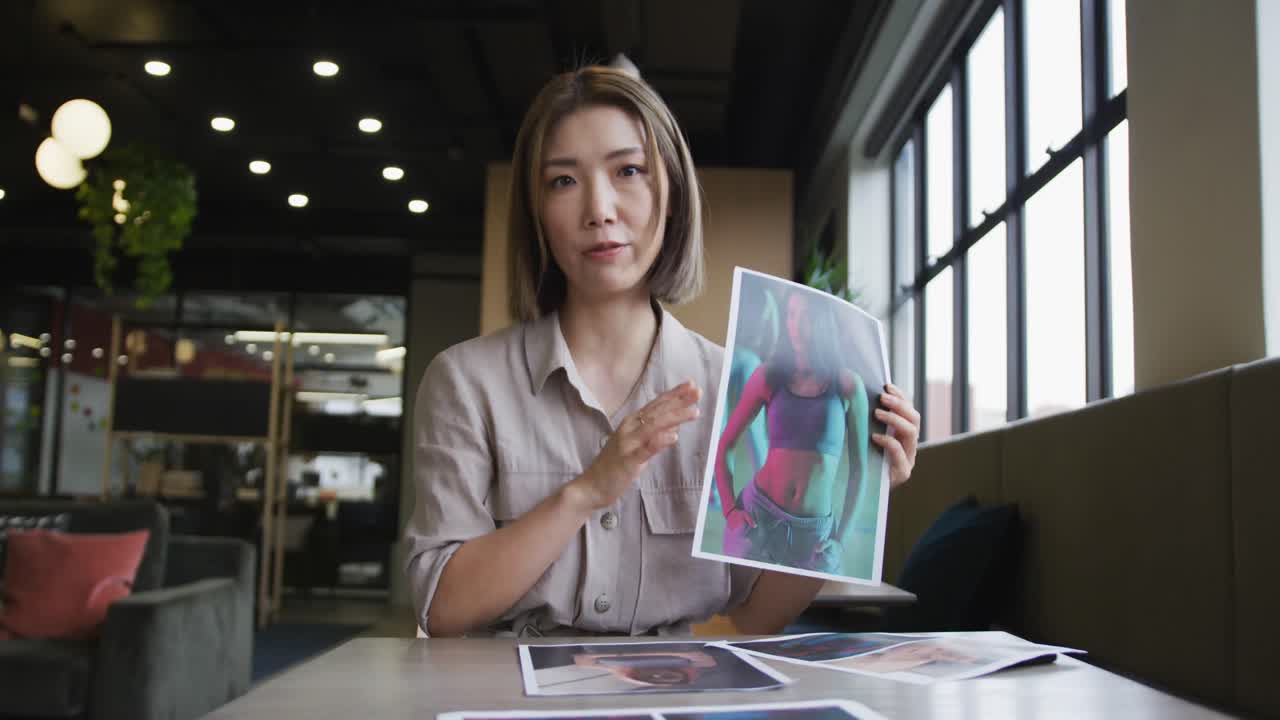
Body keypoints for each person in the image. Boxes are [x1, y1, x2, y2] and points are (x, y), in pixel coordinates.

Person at [402, 63, 921, 638]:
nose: (600, 209)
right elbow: (441, 608)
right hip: (505, 683)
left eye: (628, 171)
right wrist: (585, 493)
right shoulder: (466, 381)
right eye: (563, 181)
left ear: (671, 194)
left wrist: (858, 494)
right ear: (537, 214)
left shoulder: (725, 382)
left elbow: (756, 614)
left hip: (671, 683)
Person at [716, 288, 901, 575]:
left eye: (806, 316)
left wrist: (840, 541)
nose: (797, 325)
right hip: (757, 517)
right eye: (791, 314)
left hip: (815, 537)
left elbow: (859, 470)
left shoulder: (848, 385)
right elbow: (725, 445)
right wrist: (730, 511)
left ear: (822, 322)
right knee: (733, 600)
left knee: (826, 603)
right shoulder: (768, 375)